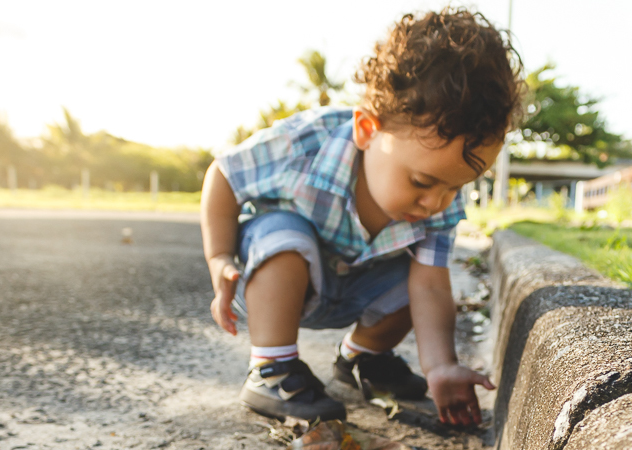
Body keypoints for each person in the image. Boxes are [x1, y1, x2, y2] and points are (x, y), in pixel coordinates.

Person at [202, 8, 523, 425]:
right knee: (283, 234)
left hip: (356, 288)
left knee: (421, 283)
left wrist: (440, 366)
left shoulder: (439, 204)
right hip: (278, 285)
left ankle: (362, 356)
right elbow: (224, 174)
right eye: (422, 181)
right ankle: (272, 367)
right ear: (368, 130)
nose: (435, 203)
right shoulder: (304, 142)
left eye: (455, 187)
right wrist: (219, 257)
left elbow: (428, 286)